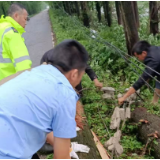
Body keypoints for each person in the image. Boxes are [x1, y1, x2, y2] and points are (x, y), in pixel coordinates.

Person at [0, 39, 89, 159]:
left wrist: (67, 147)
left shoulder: (35, 72)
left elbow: (38, 122)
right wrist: (64, 150)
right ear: (74, 74)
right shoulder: (65, 94)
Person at [118, 41, 160, 105]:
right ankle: (154, 104)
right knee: (158, 85)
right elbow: (152, 72)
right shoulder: (152, 50)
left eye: (138, 57)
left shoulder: (152, 60)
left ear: (143, 53)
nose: (138, 59)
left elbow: (142, 79)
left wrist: (124, 97)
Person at [0, 3, 32, 81]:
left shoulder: (2, 28)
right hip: (11, 84)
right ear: (16, 16)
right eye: (25, 18)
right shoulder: (12, 33)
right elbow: (24, 68)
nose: (26, 22)